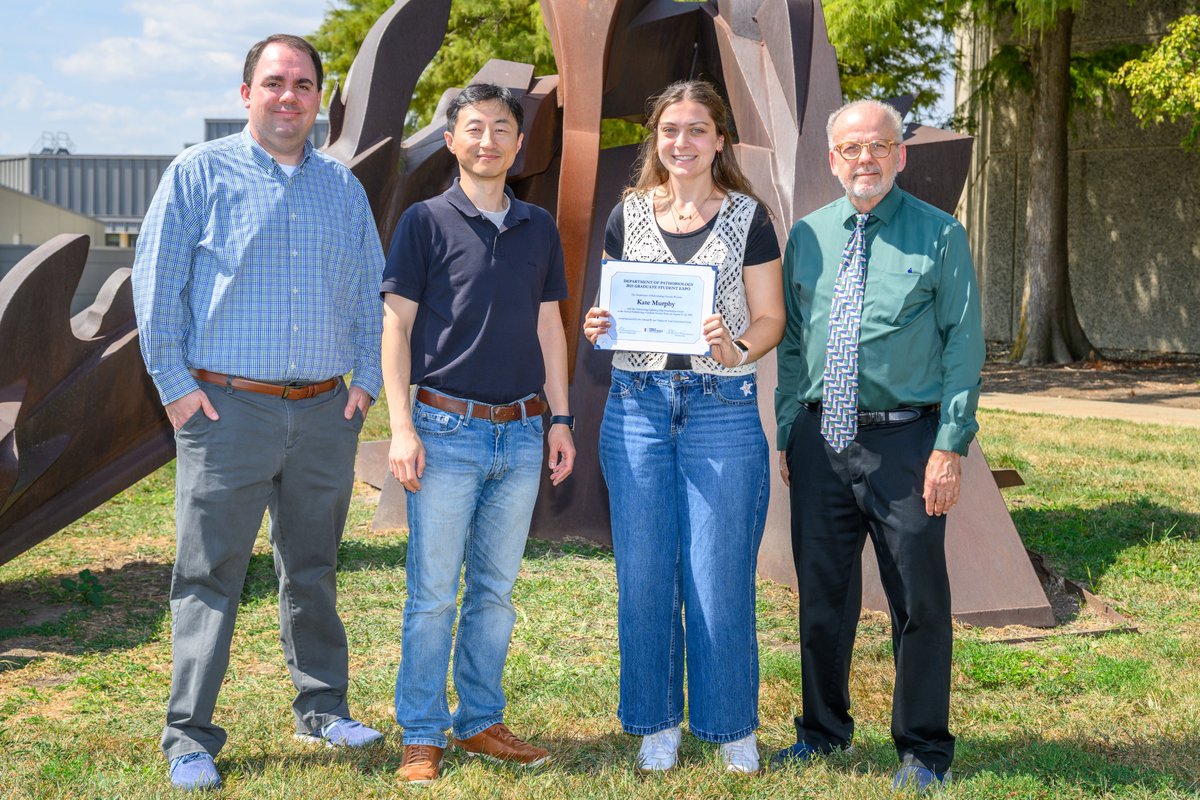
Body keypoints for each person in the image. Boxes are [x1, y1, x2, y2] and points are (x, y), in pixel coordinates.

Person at [131, 34, 386, 792]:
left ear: (318, 99)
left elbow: (370, 295)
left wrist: (365, 383)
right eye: (274, 82)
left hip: (322, 413)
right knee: (209, 572)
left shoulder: (343, 189)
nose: (289, 97)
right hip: (225, 411)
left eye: (304, 85)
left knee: (312, 567)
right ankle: (189, 738)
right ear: (246, 93)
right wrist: (177, 391)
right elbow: (157, 289)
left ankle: (324, 709)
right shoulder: (197, 173)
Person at [771, 98, 984, 792]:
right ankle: (823, 733)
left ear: (900, 155)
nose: (866, 158)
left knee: (918, 599)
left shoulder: (941, 236)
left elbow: (963, 348)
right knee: (822, 597)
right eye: (852, 148)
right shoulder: (806, 236)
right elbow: (796, 341)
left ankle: (923, 748)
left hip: (908, 444)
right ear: (833, 160)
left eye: (879, 146)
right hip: (820, 438)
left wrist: (949, 446)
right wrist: (787, 427)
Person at [582, 80, 785, 775]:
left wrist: (739, 349)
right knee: (643, 573)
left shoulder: (750, 217)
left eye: (697, 130)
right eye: (671, 129)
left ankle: (731, 728)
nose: (683, 142)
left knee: (717, 573)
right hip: (635, 406)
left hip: (720, 408)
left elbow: (771, 319)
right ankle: (656, 723)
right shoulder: (628, 214)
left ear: (719, 140)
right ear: (656, 139)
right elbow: (613, 308)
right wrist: (598, 325)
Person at [381, 82, 576, 786]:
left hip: (522, 432)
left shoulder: (540, 227)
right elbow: (396, 324)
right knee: (433, 592)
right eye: (473, 127)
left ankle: (481, 721)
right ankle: (423, 732)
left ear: (519, 146)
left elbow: (549, 326)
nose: (488, 139)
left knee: (495, 591)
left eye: (501, 128)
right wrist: (401, 426)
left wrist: (560, 420)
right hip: (444, 428)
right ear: (451, 141)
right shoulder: (424, 222)